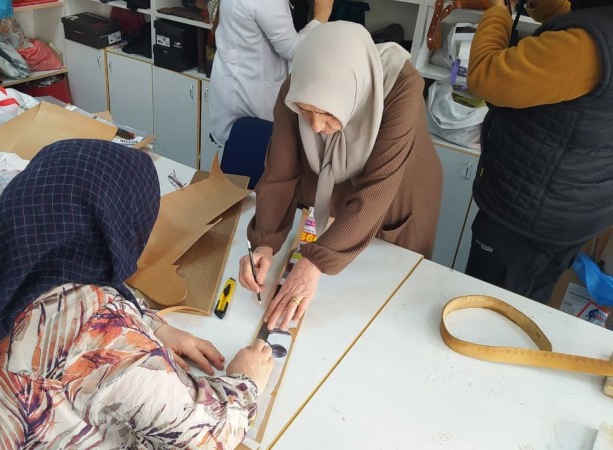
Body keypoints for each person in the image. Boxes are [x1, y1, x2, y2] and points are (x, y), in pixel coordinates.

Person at [0, 139, 274, 449]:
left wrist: (157, 327)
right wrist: (247, 381)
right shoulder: (101, 332)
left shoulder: (9, 262)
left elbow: (94, 297)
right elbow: (207, 436)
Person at [238, 22, 443, 331]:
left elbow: (377, 190)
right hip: (335, 181)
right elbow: (280, 173)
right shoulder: (299, 87)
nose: (315, 127)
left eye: (326, 113)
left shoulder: (402, 87)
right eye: (306, 112)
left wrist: (316, 262)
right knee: (335, 306)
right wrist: (264, 243)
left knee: (385, 307)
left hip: (397, 190)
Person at [464, 0, 613, 303]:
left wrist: (497, 9)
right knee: (527, 302)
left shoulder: (587, 44)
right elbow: (569, 46)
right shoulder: (596, 31)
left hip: (526, 215)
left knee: (483, 306)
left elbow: (486, 76)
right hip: (574, 208)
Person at [208, 0, 334, 146]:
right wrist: (321, 17)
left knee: (236, 149)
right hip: (250, 99)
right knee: (250, 151)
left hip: (234, 86)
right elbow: (293, 50)